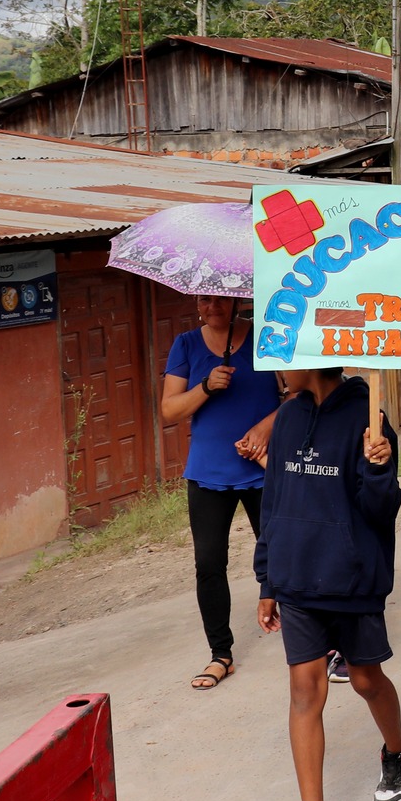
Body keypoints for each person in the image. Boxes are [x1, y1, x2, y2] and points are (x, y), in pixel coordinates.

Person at [251, 366, 401, 801]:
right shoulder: (286, 419)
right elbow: (274, 501)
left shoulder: (369, 420)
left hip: (352, 578)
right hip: (296, 580)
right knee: (304, 690)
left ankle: (396, 751)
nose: (278, 368)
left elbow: (381, 512)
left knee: (365, 679)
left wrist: (379, 468)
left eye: (286, 357)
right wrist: (268, 579)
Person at [161, 295, 282, 691]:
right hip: (207, 473)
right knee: (209, 563)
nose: (212, 306)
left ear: (237, 300)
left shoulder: (266, 337)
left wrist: (266, 427)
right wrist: (206, 386)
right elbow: (170, 410)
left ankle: (314, 641)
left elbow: (298, 393)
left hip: (262, 467)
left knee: (284, 551)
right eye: (204, 299)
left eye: (220, 299)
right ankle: (221, 654)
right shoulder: (186, 344)